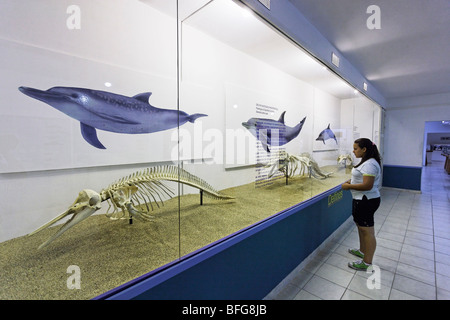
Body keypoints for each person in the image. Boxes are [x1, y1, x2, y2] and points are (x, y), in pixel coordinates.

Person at [341, 138, 381, 271]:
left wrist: (348, 186)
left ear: (364, 150)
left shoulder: (370, 164)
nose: (353, 151)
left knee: (367, 231)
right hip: (361, 200)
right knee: (361, 227)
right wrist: (352, 181)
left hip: (366, 200)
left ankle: (367, 263)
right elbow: (362, 179)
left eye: (355, 148)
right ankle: (362, 251)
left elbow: (367, 185)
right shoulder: (366, 162)